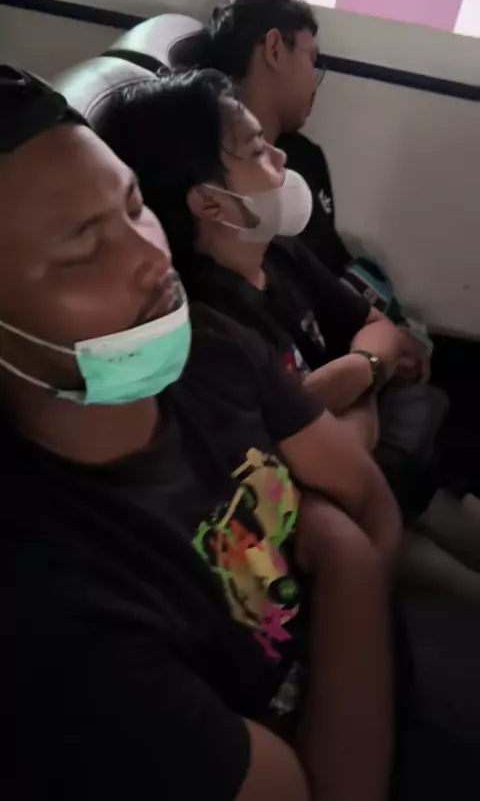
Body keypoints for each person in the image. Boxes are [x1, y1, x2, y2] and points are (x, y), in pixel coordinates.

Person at [1, 65, 401, 801]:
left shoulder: (210, 346)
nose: (152, 256)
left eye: (133, 207)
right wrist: (334, 542)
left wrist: (347, 551)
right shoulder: (52, 602)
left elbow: (372, 507)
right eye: (84, 248)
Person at [100, 69, 447, 509]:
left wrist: (358, 371)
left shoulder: (279, 252)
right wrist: (373, 380)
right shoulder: (214, 328)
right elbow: (342, 458)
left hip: (387, 478)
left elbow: (377, 326)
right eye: (256, 151)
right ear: (210, 202)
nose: (281, 158)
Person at [199, 0, 432, 367]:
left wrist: (388, 329)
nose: (315, 82)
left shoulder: (305, 158)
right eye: (311, 60)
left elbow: (331, 265)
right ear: (275, 49)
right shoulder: (217, 172)